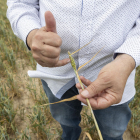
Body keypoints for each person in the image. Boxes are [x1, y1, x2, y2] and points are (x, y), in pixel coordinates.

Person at [7, 1, 140, 140]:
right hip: (56, 75)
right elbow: (20, 3)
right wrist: (31, 34)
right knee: (65, 121)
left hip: (116, 75)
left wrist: (126, 60)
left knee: (113, 130)